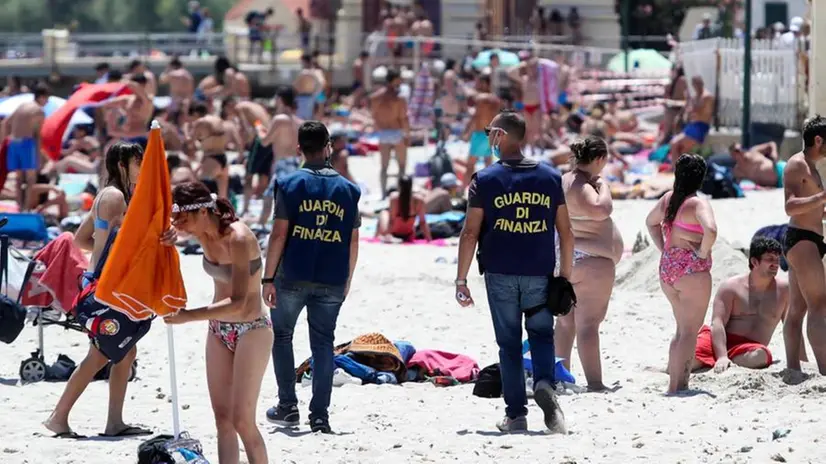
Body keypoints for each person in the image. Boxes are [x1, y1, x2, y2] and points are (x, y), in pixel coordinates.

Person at [45, 142, 176, 438]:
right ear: (122, 165)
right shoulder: (117, 197)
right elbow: (134, 241)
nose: (142, 167)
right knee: (100, 356)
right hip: (112, 287)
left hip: (108, 282)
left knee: (125, 354)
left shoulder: (109, 195)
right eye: (137, 162)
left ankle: (114, 421)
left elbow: (81, 239)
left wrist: (105, 252)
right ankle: (59, 417)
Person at [455, 110, 570, 433]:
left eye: (490, 131)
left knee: (508, 344)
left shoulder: (486, 180)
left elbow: (470, 233)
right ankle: (545, 383)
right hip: (539, 271)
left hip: (501, 271)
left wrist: (461, 279)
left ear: (501, 136)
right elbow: (566, 231)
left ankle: (516, 415)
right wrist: (566, 276)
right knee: (542, 335)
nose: (488, 136)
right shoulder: (549, 177)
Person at [262, 121, 361, 434]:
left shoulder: (289, 184)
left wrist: (267, 278)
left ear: (299, 150)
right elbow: (353, 239)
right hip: (332, 276)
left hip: (291, 274)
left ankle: (288, 406)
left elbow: (279, 235)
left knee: (282, 336)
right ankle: (319, 416)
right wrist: (348, 278)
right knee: (323, 344)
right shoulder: (349, 190)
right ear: (329, 147)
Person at [164, 182, 271, 463]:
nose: (178, 224)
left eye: (182, 218)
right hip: (218, 329)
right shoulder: (201, 232)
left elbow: (240, 302)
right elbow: (174, 231)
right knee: (222, 419)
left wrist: (188, 316)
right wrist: (170, 235)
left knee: (242, 421)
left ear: (202, 211)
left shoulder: (239, 239)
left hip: (253, 329)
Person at [554, 136, 623, 391]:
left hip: (569, 258)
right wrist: (604, 184)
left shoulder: (563, 180)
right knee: (588, 324)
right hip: (590, 260)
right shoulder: (582, 184)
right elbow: (600, 209)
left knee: (565, 322)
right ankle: (594, 383)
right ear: (598, 159)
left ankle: (561, 377)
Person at [645, 154, 717, 393]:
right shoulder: (697, 203)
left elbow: (650, 222)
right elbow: (711, 230)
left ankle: (674, 380)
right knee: (689, 331)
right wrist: (703, 252)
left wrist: (663, 247)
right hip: (691, 272)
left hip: (669, 270)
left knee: (681, 329)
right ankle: (678, 385)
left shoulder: (668, 200)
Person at [692, 237, 791, 372]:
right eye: (770, 259)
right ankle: (719, 360)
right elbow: (717, 322)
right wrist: (721, 356)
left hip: (749, 348)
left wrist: (800, 360)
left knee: (760, 356)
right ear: (754, 262)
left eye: (777, 260)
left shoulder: (784, 290)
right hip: (717, 341)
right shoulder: (731, 287)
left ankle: (722, 362)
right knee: (687, 359)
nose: (775, 264)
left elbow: (791, 326)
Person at [781, 115, 826, 374]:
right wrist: (822, 196)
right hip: (802, 240)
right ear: (818, 140)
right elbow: (790, 205)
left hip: (808, 239)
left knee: (797, 308)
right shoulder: (797, 165)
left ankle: (792, 367)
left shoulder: (811, 166)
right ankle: (824, 368)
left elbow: (812, 208)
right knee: (819, 306)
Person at [258, 88, 303, 226]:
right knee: (289, 199)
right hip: (295, 162)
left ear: (281, 100)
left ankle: (260, 226)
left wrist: (259, 130)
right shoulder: (299, 121)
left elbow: (265, 141)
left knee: (268, 197)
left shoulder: (279, 119)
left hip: (283, 163)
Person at [0, 83, 49, 209]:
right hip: (27, 143)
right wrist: (38, 157)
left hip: (13, 142)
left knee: (18, 179)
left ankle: (19, 205)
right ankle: (26, 209)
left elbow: (5, 122)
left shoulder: (22, 106)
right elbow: (37, 136)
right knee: (31, 179)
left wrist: (4, 140)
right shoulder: (39, 111)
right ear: (42, 97)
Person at [222, 97, 272, 215]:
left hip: (260, 140)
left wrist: (245, 145)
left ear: (229, 106)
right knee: (263, 174)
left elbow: (246, 128)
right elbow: (259, 122)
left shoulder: (239, 108)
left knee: (249, 175)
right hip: (269, 139)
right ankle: (260, 208)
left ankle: (245, 208)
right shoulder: (253, 106)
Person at [369, 68, 410, 197]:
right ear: (394, 79)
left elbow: (374, 116)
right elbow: (403, 118)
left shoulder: (375, 97)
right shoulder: (399, 98)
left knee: (384, 166)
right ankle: (400, 192)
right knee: (402, 165)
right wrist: (407, 134)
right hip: (397, 131)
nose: (401, 81)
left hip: (383, 133)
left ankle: (383, 193)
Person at [461, 74, 501, 185]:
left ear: (484, 84)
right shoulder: (494, 99)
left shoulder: (482, 98)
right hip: (489, 132)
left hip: (480, 134)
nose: (477, 85)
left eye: (479, 82)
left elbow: (475, 116)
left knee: (470, 165)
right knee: (488, 164)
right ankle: (489, 189)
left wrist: (466, 131)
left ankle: (463, 190)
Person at [668, 76, 714, 163]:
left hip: (700, 127)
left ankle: (676, 170)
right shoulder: (696, 97)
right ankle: (678, 170)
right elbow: (689, 113)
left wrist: (692, 106)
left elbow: (701, 113)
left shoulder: (707, 97)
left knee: (675, 144)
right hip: (692, 126)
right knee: (680, 150)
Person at [375, 175, 432, 242]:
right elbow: (423, 222)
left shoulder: (394, 198)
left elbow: (391, 221)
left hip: (394, 233)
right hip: (409, 234)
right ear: (411, 186)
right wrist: (429, 239)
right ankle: (379, 236)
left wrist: (388, 236)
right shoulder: (419, 200)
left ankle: (376, 236)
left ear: (399, 186)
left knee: (383, 213)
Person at [159, 57, 194, 126]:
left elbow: (161, 80)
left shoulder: (173, 74)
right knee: (185, 124)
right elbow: (191, 91)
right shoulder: (188, 75)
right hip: (186, 102)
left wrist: (167, 70)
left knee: (170, 123)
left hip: (175, 100)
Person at [294, 54, 326, 120]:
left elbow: (296, 86)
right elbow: (322, 84)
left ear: (305, 62)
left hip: (307, 97)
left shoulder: (305, 72)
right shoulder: (317, 71)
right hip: (315, 96)